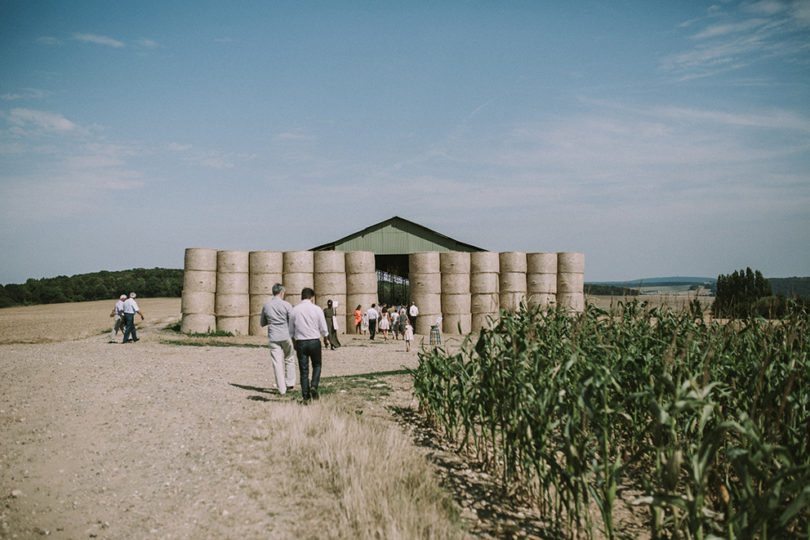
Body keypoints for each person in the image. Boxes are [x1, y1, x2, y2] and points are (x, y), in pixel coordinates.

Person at [291, 288, 329, 404]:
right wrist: (326, 339)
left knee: (304, 371)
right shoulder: (317, 309)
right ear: (312, 298)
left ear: (301, 297)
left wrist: (294, 344)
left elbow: (291, 331)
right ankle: (314, 386)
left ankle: (306, 397)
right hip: (314, 341)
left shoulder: (294, 310)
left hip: (301, 342)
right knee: (317, 365)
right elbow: (323, 328)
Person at [260, 283, 296, 395]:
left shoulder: (266, 306)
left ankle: (281, 389)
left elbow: (262, 323)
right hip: (286, 335)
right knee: (289, 358)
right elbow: (292, 320)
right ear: (281, 292)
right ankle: (290, 383)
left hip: (273, 336)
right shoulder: (287, 305)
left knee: (277, 363)